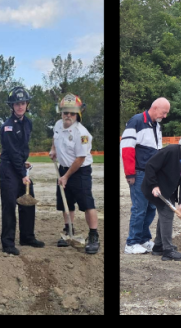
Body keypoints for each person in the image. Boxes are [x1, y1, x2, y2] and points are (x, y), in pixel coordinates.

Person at [142, 127, 181, 261]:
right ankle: (168, 250)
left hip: (168, 190)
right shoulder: (171, 151)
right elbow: (150, 165)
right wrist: (154, 185)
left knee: (165, 215)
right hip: (154, 188)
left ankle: (158, 246)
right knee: (167, 214)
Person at [49, 93, 100, 255]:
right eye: (65, 113)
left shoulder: (82, 134)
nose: (68, 116)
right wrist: (53, 149)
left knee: (86, 204)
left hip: (80, 171)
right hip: (64, 169)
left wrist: (66, 177)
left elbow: (80, 158)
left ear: (78, 114)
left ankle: (93, 235)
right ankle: (68, 230)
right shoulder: (58, 124)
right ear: (61, 113)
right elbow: (55, 137)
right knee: (66, 203)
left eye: (71, 113)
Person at [120, 97, 170, 255]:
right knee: (139, 208)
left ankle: (143, 238)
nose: (165, 116)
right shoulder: (136, 121)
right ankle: (132, 242)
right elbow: (127, 147)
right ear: (155, 108)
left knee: (151, 207)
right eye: (164, 112)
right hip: (139, 172)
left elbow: (158, 150)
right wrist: (130, 172)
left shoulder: (157, 125)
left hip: (152, 174)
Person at [0, 85, 44, 255]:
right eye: (16, 103)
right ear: (12, 106)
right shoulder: (7, 126)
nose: (20, 106)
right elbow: (11, 152)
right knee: (10, 205)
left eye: (23, 103)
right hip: (9, 170)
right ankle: (7, 242)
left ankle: (27, 236)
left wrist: (24, 163)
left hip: (19, 165)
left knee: (28, 201)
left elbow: (21, 148)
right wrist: (22, 174)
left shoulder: (28, 123)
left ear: (27, 105)